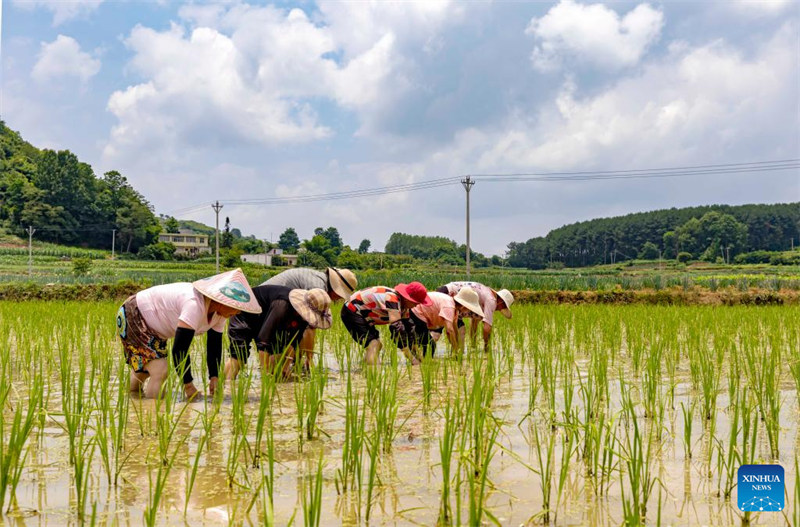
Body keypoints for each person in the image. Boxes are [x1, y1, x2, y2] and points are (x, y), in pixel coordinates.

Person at [116, 268, 261, 399]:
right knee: (160, 370)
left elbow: (214, 346)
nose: (238, 312)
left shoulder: (220, 315)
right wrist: (188, 385)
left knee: (146, 368)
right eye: (236, 307)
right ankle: (150, 417)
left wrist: (214, 378)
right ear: (222, 301)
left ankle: (132, 401)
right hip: (134, 313)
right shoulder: (194, 304)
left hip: (155, 328)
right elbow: (180, 349)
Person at [223, 286, 332, 380]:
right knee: (239, 357)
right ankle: (224, 387)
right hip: (244, 313)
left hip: (264, 317)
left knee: (277, 355)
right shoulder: (282, 305)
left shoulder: (302, 317)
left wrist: (286, 365)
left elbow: (294, 341)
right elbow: (263, 343)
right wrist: (266, 376)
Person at [262, 267, 357, 365]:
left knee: (292, 338)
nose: (340, 298)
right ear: (335, 288)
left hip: (273, 304)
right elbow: (310, 329)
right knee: (276, 347)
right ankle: (273, 371)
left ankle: (290, 364)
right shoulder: (317, 289)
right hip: (265, 305)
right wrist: (309, 359)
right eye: (341, 294)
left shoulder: (320, 280)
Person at [341, 282, 432, 365]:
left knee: (378, 345)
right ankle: (374, 374)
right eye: (416, 303)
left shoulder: (404, 306)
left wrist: (419, 356)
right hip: (352, 311)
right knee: (373, 344)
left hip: (364, 316)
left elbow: (409, 330)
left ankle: (366, 368)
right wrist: (412, 359)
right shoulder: (392, 299)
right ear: (408, 299)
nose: (417, 305)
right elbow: (397, 330)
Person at [437, 282, 515, 352]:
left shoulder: (484, 295)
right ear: (501, 302)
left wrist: (473, 345)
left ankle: (454, 355)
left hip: (444, 291)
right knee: (436, 332)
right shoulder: (491, 300)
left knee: (459, 331)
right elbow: (487, 328)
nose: (499, 309)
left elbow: (474, 322)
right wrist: (486, 347)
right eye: (502, 307)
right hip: (448, 296)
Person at [408, 287, 484, 357]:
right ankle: (420, 363)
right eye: (469, 309)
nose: (468, 312)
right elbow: (449, 331)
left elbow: (454, 329)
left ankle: (418, 360)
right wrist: (455, 349)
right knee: (429, 345)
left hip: (418, 314)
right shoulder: (449, 306)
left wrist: (456, 347)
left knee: (423, 343)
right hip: (416, 312)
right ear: (464, 306)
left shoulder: (455, 310)